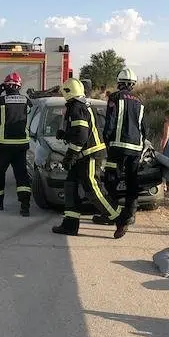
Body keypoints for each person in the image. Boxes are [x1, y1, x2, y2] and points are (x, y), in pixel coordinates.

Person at [51, 78, 126, 238]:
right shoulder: (81, 105)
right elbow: (81, 130)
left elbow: (81, 136)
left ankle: (120, 219)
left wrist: (70, 156)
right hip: (82, 155)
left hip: (90, 155)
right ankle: (70, 225)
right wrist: (66, 134)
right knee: (70, 187)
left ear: (67, 92)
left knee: (92, 189)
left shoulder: (77, 107)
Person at [95, 67, 146, 236]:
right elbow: (143, 127)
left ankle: (112, 213)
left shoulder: (115, 98)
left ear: (119, 83)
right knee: (132, 182)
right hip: (136, 148)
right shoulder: (139, 101)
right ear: (132, 84)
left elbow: (110, 122)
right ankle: (130, 215)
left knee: (111, 179)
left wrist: (106, 141)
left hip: (117, 146)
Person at [0, 72, 33, 216]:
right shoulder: (26, 101)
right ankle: (25, 206)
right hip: (21, 145)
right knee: (22, 175)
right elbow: (30, 110)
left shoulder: (1, 101)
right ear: (19, 86)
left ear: (6, 85)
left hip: (3, 145)